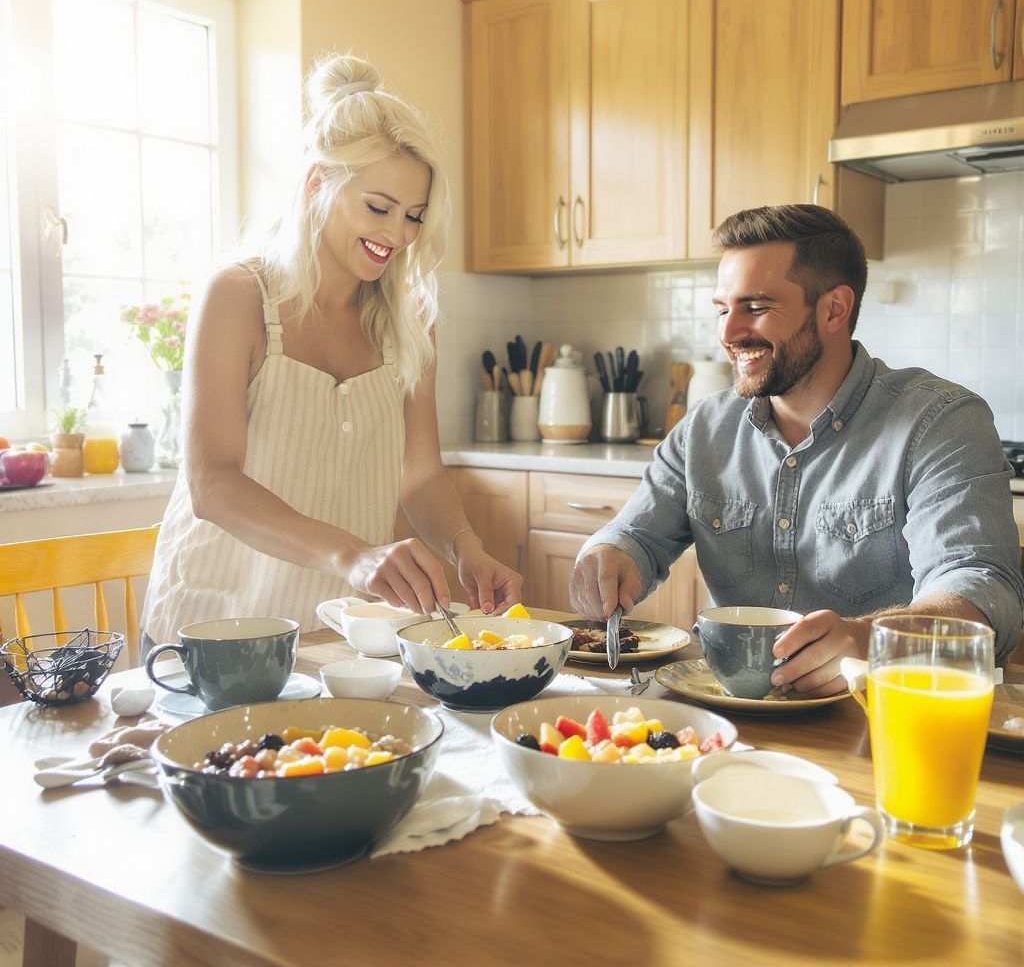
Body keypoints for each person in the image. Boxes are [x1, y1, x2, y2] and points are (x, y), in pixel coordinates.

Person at [142, 53, 521, 647]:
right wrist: (353, 556)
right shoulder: (238, 296)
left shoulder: (411, 317)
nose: (397, 236)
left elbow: (420, 477)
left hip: (338, 638)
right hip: (216, 628)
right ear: (318, 183)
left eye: (414, 217)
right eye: (378, 208)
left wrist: (466, 550)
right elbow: (212, 484)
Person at [570, 204, 1024, 695]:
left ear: (834, 308)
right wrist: (608, 554)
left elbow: (981, 592)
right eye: (723, 309)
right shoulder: (703, 427)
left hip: (876, 714)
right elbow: (636, 534)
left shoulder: (941, 421)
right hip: (721, 704)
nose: (728, 333)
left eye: (757, 307)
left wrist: (865, 639)